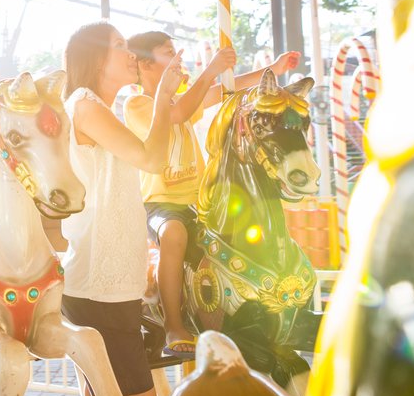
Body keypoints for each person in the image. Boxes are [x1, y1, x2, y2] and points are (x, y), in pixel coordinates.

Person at [123, 31, 300, 357]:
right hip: (160, 205)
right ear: (146, 65)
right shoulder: (137, 104)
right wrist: (210, 70)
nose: (177, 58)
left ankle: (258, 305)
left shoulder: (183, 100)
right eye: (168, 52)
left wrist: (271, 70)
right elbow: (174, 115)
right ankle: (173, 324)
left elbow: (226, 91)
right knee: (174, 234)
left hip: (199, 201)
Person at [60, 22, 183, 396]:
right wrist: (164, 95)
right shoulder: (86, 104)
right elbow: (152, 158)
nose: (130, 53)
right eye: (119, 46)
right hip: (101, 283)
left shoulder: (100, 108)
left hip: (105, 278)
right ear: (95, 59)